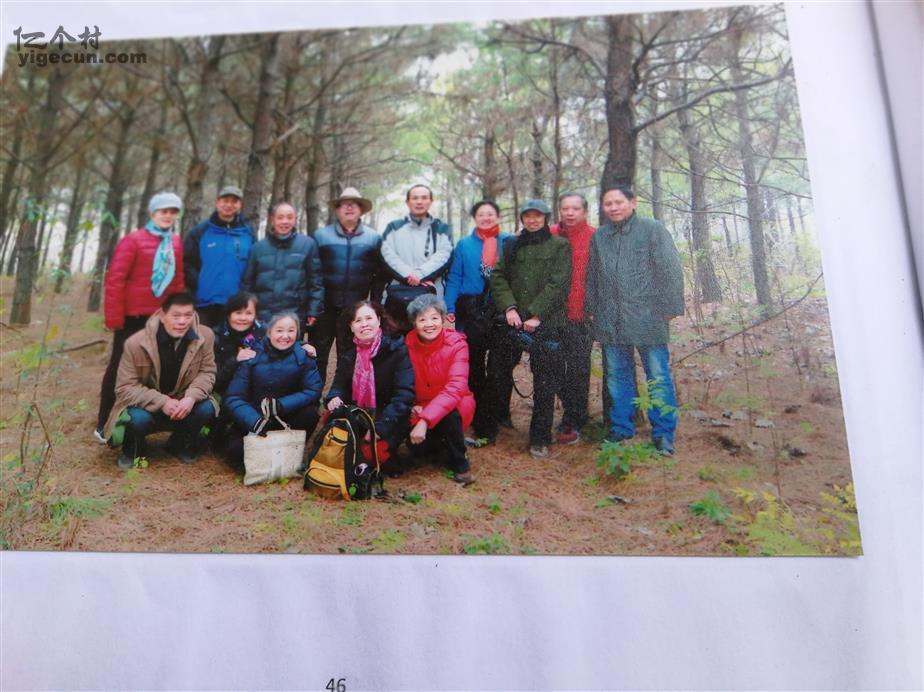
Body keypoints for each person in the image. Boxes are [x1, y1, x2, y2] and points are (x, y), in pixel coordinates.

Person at [585, 185, 684, 456]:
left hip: (648, 316)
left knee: (658, 376)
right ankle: (621, 428)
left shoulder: (652, 230)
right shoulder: (600, 237)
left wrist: (671, 307)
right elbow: (592, 276)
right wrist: (592, 308)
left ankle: (663, 434)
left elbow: (670, 269)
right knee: (617, 376)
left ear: (632, 202)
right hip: (611, 319)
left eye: (618, 202)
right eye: (608, 203)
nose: (613, 207)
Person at [96, 191, 186, 443]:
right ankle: (105, 421)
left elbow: (178, 279)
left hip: (161, 318)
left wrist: (178, 313)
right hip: (132, 317)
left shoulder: (175, 242)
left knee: (153, 369)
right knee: (119, 368)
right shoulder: (133, 240)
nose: (168, 216)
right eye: (163, 211)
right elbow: (116, 280)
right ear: (153, 213)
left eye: (173, 212)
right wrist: (114, 319)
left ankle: (142, 422)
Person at [489, 199, 572, 458]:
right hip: (512, 322)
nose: (532, 220)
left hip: (547, 323)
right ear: (522, 219)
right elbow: (498, 276)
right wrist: (509, 308)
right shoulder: (512, 244)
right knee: (497, 373)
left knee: (545, 382)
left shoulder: (559, 246)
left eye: (537, 216)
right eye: (528, 216)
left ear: (546, 218)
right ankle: (489, 428)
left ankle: (540, 438)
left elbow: (559, 283)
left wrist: (537, 313)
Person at [102, 292, 217, 469]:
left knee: (207, 408)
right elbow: (125, 387)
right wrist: (162, 402)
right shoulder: (135, 343)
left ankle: (179, 443)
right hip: (146, 406)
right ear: (163, 316)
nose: (182, 321)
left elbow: (207, 372)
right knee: (137, 419)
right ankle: (134, 449)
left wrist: (191, 397)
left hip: (182, 404)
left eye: (188, 315)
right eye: (176, 316)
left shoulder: (206, 335)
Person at [444, 199, 514, 441]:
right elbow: (455, 276)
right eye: (481, 214)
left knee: (499, 367)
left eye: (490, 213)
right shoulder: (464, 244)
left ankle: (499, 413)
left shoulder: (509, 242)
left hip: (500, 308)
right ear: (475, 218)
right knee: (473, 365)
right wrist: (449, 306)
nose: (486, 218)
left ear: (498, 216)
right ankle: (477, 415)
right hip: (470, 309)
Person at [224, 312, 323, 471]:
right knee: (235, 453)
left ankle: (290, 451)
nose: (285, 336)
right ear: (269, 332)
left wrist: (281, 405)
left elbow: (313, 389)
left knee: (310, 413)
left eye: (291, 330)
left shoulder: (304, 355)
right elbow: (234, 397)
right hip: (256, 418)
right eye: (279, 330)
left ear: (297, 333)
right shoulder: (252, 355)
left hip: (287, 416)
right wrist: (255, 421)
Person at [324, 301, 414, 462]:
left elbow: (404, 395)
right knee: (341, 455)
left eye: (369, 318)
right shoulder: (349, 354)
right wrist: (334, 397)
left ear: (379, 320)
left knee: (371, 458)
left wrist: (379, 429)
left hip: (388, 416)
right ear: (351, 327)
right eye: (358, 320)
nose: (364, 324)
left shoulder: (397, 350)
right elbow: (338, 386)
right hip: (359, 414)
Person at [312, 187, 384, 385]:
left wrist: (375, 307)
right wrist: (312, 307)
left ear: (361, 209)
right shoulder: (320, 236)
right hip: (324, 309)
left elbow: (379, 276)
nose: (350, 207)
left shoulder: (373, 238)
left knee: (349, 358)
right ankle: (313, 398)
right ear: (337, 209)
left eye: (355, 204)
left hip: (355, 312)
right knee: (317, 356)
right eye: (345, 204)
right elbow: (312, 273)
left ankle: (343, 399)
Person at [404, 294, 475, 486]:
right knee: (420, 451)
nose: (429, 324)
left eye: (434, 318)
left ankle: (461, 464)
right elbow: (402, 383)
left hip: (455, 404)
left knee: (450, 415)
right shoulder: (406, 345)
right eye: (422, 319)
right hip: (420, 404)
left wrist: (425, 420)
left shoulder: (457, 344)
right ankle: (440, 446)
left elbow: (455, 388)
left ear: (443, 320)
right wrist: (412, 406)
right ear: (414, 323)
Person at [549, 192, 597, 444]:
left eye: (575, 208)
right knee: (553, 368)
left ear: (584, 211)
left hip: (582, 316)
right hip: (551, 316)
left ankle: (574, 420)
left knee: (578, 370)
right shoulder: (549, 234)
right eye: (565, 208)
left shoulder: (595, 237)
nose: (569, 213)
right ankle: (573, 411)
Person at [380, 184, 453, 332]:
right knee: (396, 335)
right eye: (415, 198)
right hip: (398, 291)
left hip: (431, 291)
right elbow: (386, 254)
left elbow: (444, 254)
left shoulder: (442, 228)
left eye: (424, 198)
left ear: (430, 201)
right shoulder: (393, 227)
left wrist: (420, 274)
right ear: (408, 202)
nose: (419, 201)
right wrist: (408, 274)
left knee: (428, 335)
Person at [184, 185, 256, 327]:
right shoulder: (200, 231)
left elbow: (253, 266)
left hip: (237, 305)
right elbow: (187, 263)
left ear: (240, 205)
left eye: (234, 201)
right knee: (204, 339)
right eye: (225, 200)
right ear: (217, 202)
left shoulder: (248, 233)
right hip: (205, 303)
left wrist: (245, 293)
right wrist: (199, 284)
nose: (229, 205)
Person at [243, 201, 324, 327]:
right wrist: (247, 310)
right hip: (263, 315)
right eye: (280, 217)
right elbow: (247, 284)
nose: (285, 221)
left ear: (295, 219)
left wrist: (313, 310)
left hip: (296, 313)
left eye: (289, 217)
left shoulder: (308, 245)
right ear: (272, 220)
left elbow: (316, 282)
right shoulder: (257, 248)